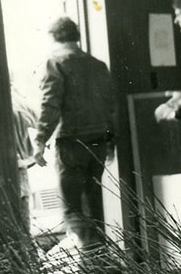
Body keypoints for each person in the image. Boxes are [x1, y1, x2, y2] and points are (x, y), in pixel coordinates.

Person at [33, 16, 117, 249]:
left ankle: (92, 261)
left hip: (71, 142)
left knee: (72, 209)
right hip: (99, 142)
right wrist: (112, 142)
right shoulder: (98, 65)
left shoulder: (55, 63)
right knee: (94, 203)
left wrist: (40, 140)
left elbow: (50, 105)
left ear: (53, 38)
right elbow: (110, 107)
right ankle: (102, 266)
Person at [11, 86, 38, 232]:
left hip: (10, 165)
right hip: (20, 165)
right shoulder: (18, 101)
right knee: (23, 221)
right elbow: (39, 120)